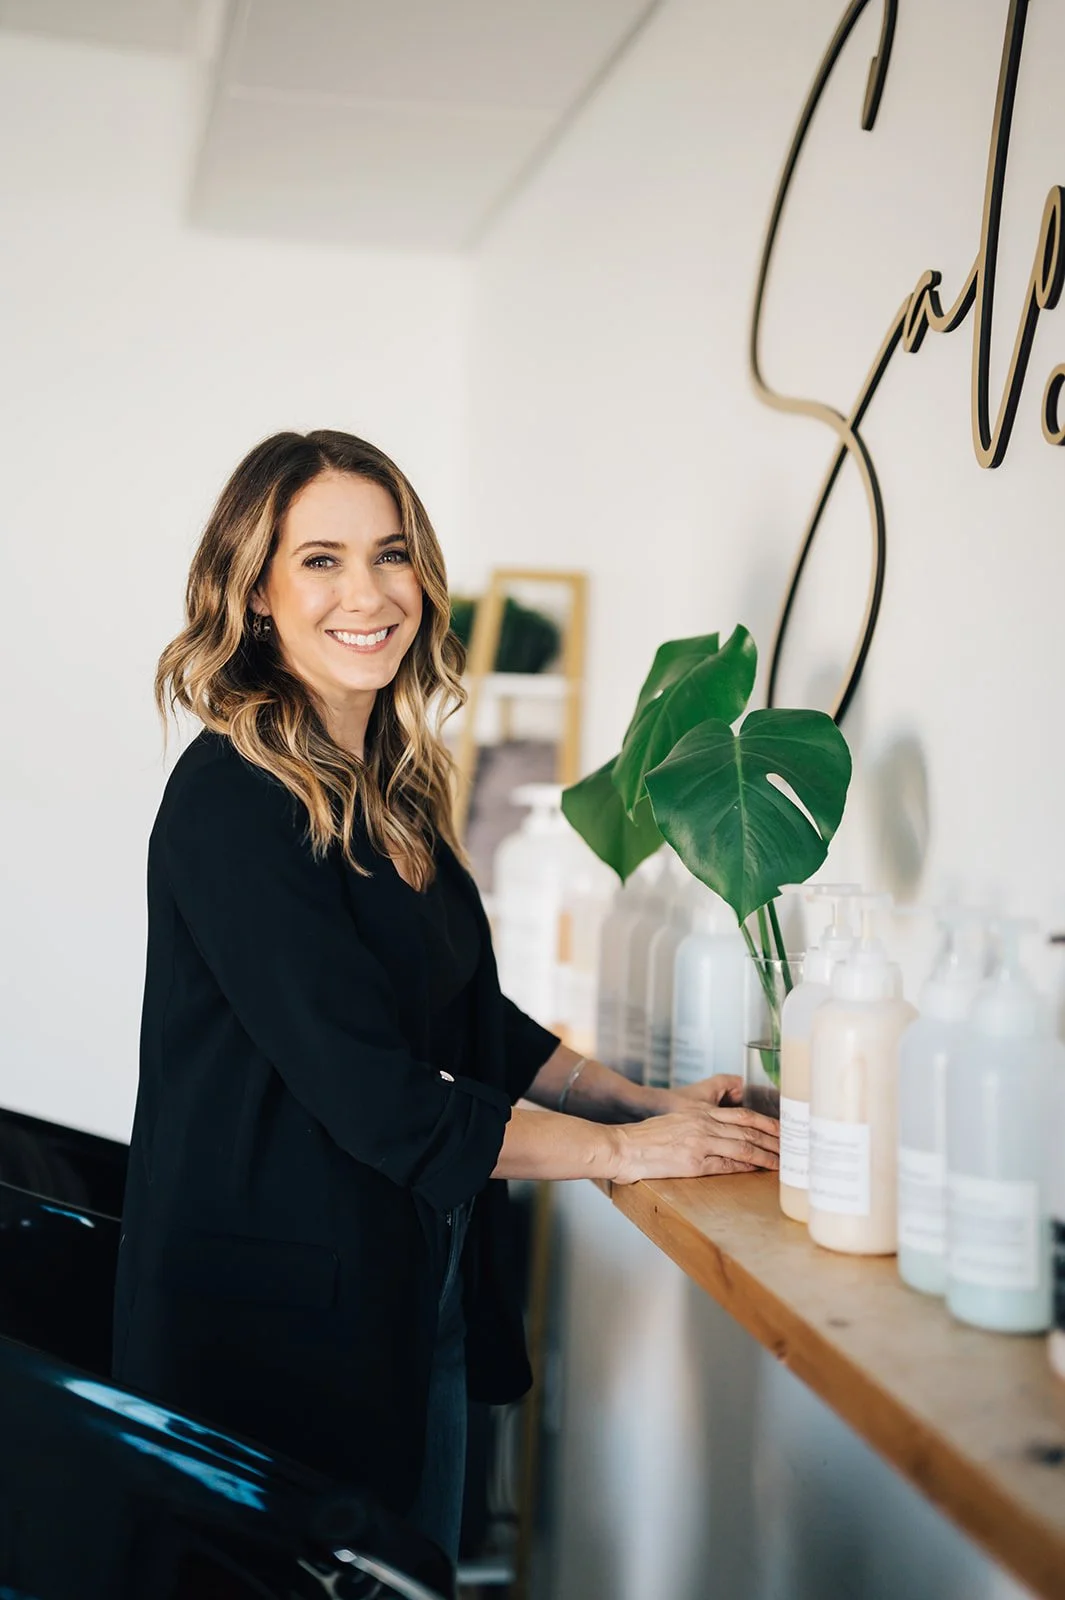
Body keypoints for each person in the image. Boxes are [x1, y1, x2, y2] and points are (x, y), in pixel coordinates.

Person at [112, 429, 779, 1563]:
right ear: (256, 591)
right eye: (320, 559)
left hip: (407, 1278)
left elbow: (472, 1021)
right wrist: (626, 1158)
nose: (367, 593)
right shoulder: (232, 798)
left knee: (414, 1577)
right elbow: (376, 1094)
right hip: (269, 1324)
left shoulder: (392, 790)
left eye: (391, 554)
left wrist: (640, 1103)